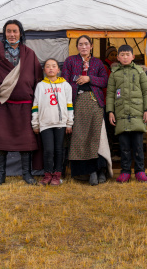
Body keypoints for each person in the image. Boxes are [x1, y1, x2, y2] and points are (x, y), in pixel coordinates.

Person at [0, 19, 43, 186]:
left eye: (15, 31)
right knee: (1, 139)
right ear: (4, 33)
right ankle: (0, 174)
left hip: (25, 103)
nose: (12, 34)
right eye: (9, 31)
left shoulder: (29, 53)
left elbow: (37, 77)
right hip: (4, 102)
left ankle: (27, 174)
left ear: (20, 33)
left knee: (27, 139)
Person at [61, 35, 111, 185]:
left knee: (97, 137)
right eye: (80, 44)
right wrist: (78, 81)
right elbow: (65, 81)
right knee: (80, 137)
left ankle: (100, 170)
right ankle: (88, 172)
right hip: (77, 102)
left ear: (91, 46)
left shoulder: (98, 63)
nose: (83, 47)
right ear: (77, 47)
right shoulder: (71, 61)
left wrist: (89, 78)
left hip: (95, 103)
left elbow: (104, 80)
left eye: (86, 44)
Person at [106, 44, 147, 183]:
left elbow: (146, 92)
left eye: (127, 54)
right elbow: (110, 94)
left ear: (132, 56)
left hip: (137, 114)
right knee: (124, 146)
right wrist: (110, 111)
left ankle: (140, 171)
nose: (125, 57)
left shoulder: (139, 72)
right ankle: (125, 171)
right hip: (121, 114)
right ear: (118, 57)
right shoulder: (114, 73)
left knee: (138, 145)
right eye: (122, 55)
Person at [31, 58, 74, 186]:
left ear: (58, 70)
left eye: (54, 66)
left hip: (60, 123)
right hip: (45, 123)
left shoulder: (65, 85)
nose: (51, 68)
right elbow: (36, 105)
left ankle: (57, 175)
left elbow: (69, 105)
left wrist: (69, 123)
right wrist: (35, 123)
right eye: (48, 66)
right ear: (44, 70)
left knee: (59, 150)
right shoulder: (40, 86)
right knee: (48, 150)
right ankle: (47, 174)